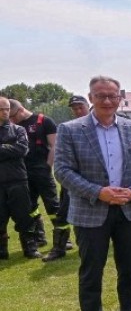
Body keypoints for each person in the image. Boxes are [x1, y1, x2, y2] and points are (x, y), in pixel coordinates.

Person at [54, 75, 131, 311]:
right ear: (90, 98)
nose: (108, 101)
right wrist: (99, 192)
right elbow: (62, 170)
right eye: (101, 96)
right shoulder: (70, 129)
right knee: (91, 270)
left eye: (113, 96)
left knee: (130, 267)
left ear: (120, 98)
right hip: (90, 211)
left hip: (128, 210)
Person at [8, 98, 58, 250]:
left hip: (42, 170)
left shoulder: (44, 121)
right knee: (29, 206)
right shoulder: (13, 127)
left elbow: (54, 146)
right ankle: (39, 236)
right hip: (23, 173)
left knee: (53, 205)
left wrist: (47, 167)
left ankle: (62, 239)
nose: (11, 120)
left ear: (21, 109)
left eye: (13, 116)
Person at [44, 95, 90, 262]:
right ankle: (59, 247)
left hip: (95, 180)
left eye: (80, 107)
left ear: (88, 105)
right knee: (63, 213)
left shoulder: (99, 124)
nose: (78, 111)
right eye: (74, 108)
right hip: (72, 180)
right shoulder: (68, 128)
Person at [0, 97, 40, 260]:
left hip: (18, 179)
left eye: (7, 109)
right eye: (2, 109)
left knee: (24, 216)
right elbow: (15, 150)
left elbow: (22, 150)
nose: (5, 112)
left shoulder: (18, 130)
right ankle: (2, 251)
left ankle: (30, 247)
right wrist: (10, 149)